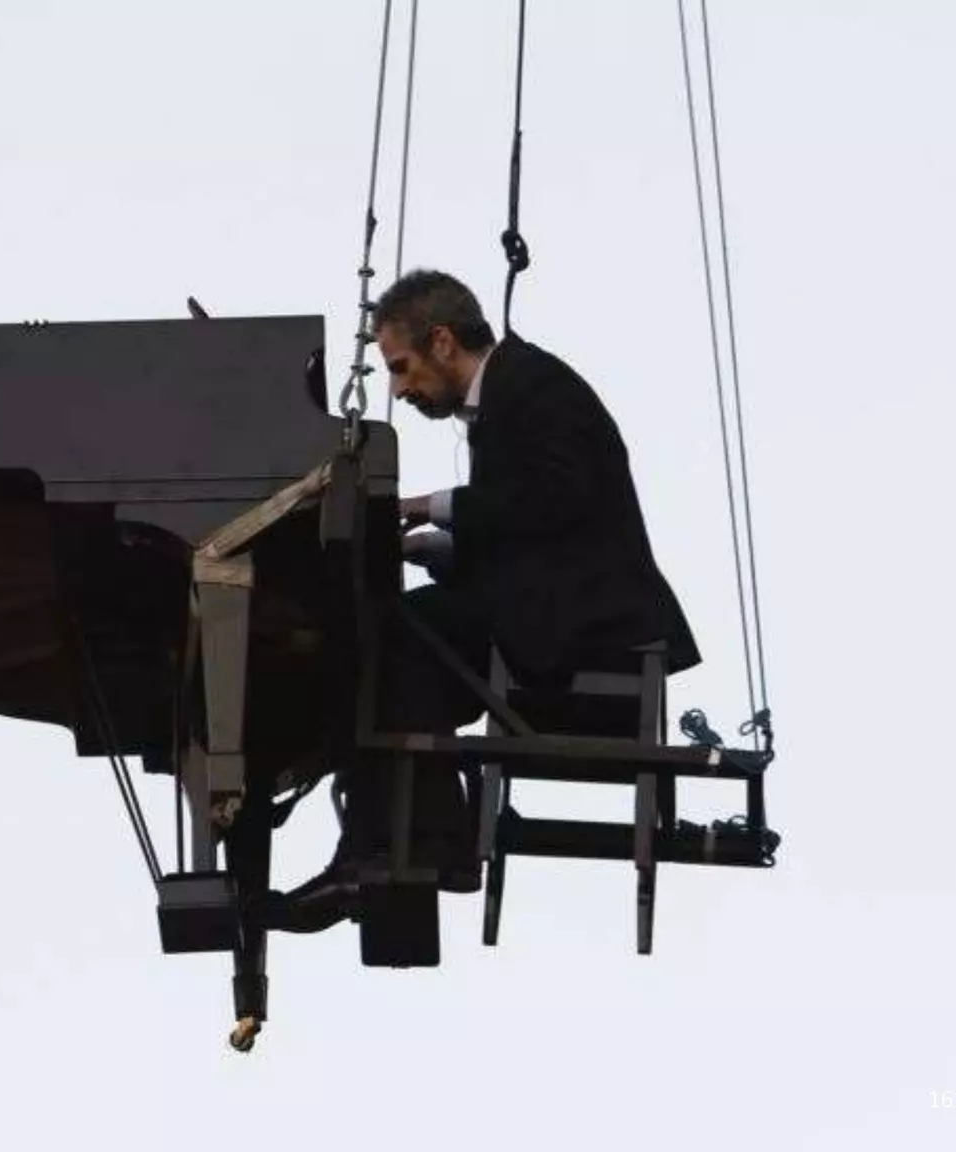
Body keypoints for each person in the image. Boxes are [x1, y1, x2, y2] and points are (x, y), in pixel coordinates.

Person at [268, 269, 701, 931]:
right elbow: (527, 532)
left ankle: (400, 847)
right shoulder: (510, 393)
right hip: (554, 603)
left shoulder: (533, 384)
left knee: (394, 637)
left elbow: (557, 499)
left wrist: (431, 508)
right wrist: (433, 549)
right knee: (399, 631)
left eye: (401, 367)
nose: (399, 389)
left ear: (442, 342)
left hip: (589, 622)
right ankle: (409, 838)